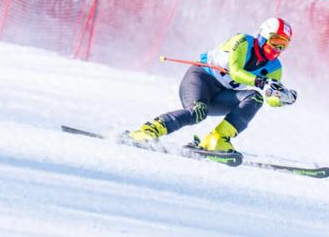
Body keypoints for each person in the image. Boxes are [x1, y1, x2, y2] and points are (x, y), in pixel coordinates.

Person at [126, 17, 298, 154]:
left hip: (222, 94)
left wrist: (282, 98)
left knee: (255, 98)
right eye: (275, 41)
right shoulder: (243, 41)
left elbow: (270, 100)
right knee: (197, 112)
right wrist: (260, 81)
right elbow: (236, 71)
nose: (278, 48)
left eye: (284, 44)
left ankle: (217, 139)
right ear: (263, 36)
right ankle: (149, 130)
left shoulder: (275, 68)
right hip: (201, 79)